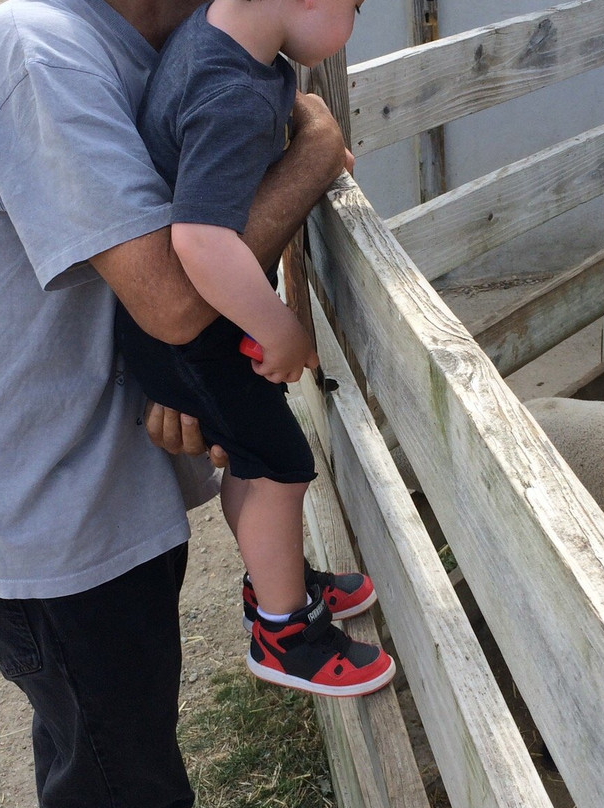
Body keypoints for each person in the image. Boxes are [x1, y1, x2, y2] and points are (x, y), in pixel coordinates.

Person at [0, 0, 354, 804]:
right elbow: (176, 300)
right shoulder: (35, 55)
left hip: (102, 498)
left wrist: (169, 382)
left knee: (106, 753)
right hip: (54, 524)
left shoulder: (164, 52)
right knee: (123, 779)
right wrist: (318, 150)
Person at [115, 0, 394, 698]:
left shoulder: (219, 40)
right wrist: (280, 328)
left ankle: (281, 585)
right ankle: (284, 635)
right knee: (281, 465)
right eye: (355, 6)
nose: (352, 24)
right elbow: (201, 241)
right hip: (200, 334)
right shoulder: (232, 90)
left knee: (256, 457)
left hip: (194, 329)